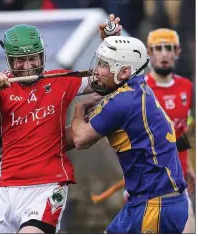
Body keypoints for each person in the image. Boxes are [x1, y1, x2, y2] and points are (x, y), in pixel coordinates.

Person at [0, 16, 122, 234]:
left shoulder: (60, 80)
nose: (28, 67)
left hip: (48, 186)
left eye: (33, 59)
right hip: (7, 188)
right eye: (20, 60)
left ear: (42, 55)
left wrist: (111, 45)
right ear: (9, 60)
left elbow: (106, 80)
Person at [71, 35, 188, 233]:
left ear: (124, 71)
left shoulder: (122, 101)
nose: (97, 71)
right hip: (145, 202)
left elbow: (80, 139)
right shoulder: (135, 87)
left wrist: (79, 108)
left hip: (156, 205)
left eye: (104, 65)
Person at [145, 28, 195, 233]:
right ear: (149, 52)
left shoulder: (187, 86)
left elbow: (187, 127)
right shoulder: (140, 89)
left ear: (178, 52)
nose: (164, 53)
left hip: (180, 180)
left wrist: (190, 166)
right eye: (158, 48)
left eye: (169, 48)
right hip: (147, 182)